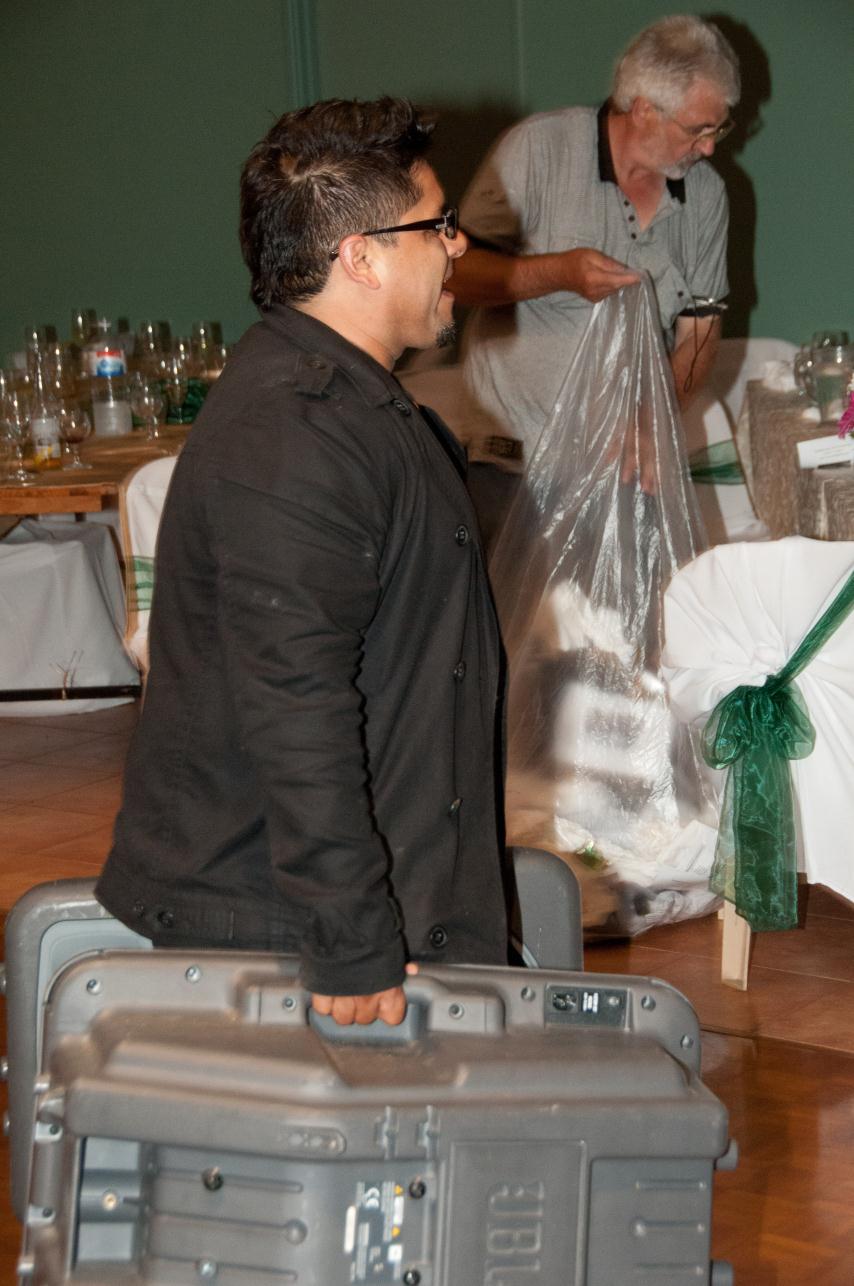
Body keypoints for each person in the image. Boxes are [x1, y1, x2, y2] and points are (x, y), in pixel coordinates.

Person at [95, 97, 510, 1026]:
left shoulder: (353, 404)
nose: (457, 245)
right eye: (437, 224)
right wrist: (351, 940)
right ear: (361, 256)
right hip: (276, 935)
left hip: (358, 908)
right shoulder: (294, 431)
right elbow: (295, 701)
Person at [451, 15, 741, 537]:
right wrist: (558, 273)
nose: (709, 148)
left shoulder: (706, 196)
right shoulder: (538, 150)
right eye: (698, 129)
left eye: (719, 128)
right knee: (501, 594)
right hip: (512, 465)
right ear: (644, 110)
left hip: (623, 467)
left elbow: (700, 333)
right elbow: (455, 274)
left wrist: (651, 424)